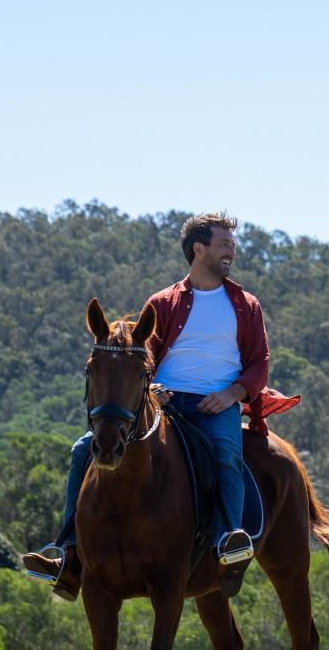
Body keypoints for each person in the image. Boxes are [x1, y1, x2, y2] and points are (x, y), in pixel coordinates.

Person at [23, 212, 267, 600]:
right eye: (224, 244)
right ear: (198, 249)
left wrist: (232, 395)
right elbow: (141, 355)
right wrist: (153, 386)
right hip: (164, 403)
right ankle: (67, 556)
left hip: (217, 404)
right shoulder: (163, 302)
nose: (231, 251)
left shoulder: (246, 305)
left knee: (226, 455)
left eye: (232, 246)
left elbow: (259, 364)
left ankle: (227, 543)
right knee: (82, 449)